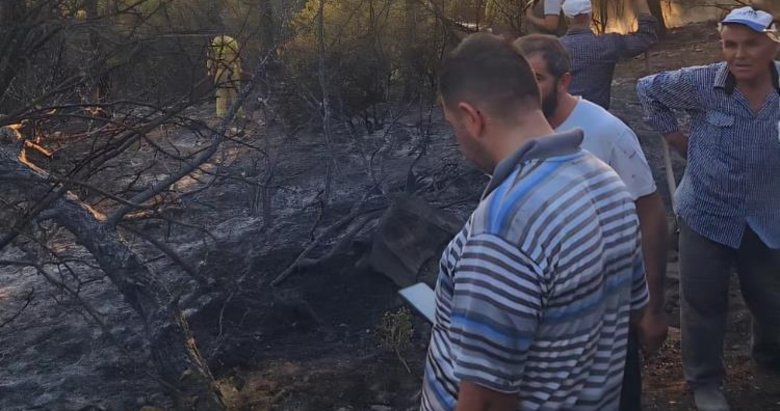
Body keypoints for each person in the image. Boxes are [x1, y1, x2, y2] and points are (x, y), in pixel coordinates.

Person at [422, 32, 649, 411]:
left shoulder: (504, 226)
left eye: (452, 124)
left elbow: (488, 402)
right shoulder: (606, 180)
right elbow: (633, 310)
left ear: (472, 118)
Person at [513, 33, 669, 411]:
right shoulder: (515, 131)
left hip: (609, 308)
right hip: (548, 313)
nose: (525, 89)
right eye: (518, 78)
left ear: (564, 81)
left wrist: (652, 308)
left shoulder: (605, 132)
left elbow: (651, 218)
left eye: (537, 79)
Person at [636, 6, 780, 411]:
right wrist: (675, 136)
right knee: (703, 301)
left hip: (768, 215)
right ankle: (704, 382)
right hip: (706, 213)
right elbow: (647, 89)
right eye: (730, 44)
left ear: (772, 44)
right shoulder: (702, 82)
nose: (739, 54)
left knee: (770, 297)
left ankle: (769, 358)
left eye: (751, 44)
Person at [558, 0, 658, 109]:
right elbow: (646, 38)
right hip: (596, 116)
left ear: (566, 18)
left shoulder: (550, 48)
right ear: (590, 15)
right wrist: (640, 3)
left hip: (558, 119)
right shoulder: (607, 44)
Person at [207, 35, 242, 118]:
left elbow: (210, 58)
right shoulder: (232, 40)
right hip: (232, 69)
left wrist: (210, 71)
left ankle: (221, 114)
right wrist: (240, 68)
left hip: (221, 71)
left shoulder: (214, 42)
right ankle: (238, 113)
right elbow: (237, 56)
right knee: (235, 93)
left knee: (221, 93)